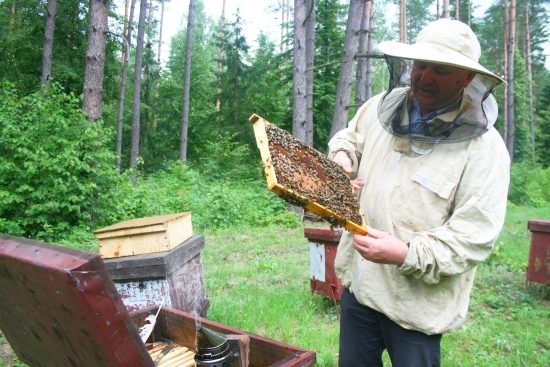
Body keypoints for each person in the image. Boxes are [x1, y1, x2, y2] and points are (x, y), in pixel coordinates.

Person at [328, 18, 510, 367]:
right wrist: (342, 157)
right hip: (360, 287)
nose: (425, 77)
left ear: (467, 78)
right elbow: (350, 137)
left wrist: (405, 254)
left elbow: (475, 235)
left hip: (416, 307)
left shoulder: (485, 150)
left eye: (441, 70)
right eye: (421, 65)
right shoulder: (383, 106)